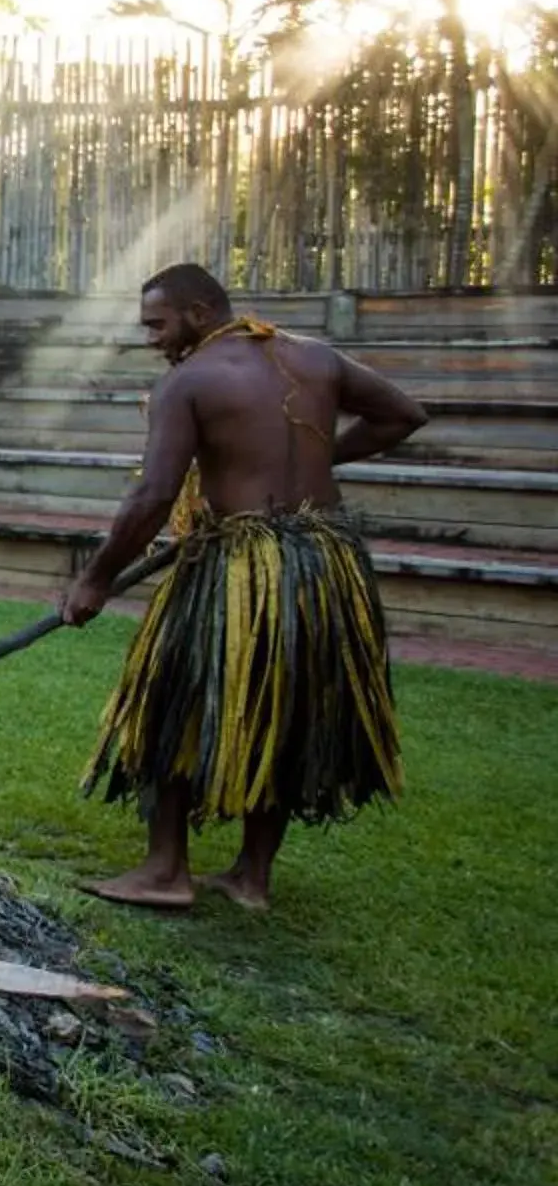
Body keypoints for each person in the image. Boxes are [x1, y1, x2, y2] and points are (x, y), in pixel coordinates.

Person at [63, 263, 424, 912]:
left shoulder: (187, 381)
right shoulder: (315, 358)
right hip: (327, 562)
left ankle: (165, 871)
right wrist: (319, 457)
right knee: (289, 711)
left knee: (172, 697)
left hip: (241, 563)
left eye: (157, 323)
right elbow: (403, 414)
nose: (149, 338)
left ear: (199, 313)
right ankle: (251, 879)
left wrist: (95, 579)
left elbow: (153, 494)